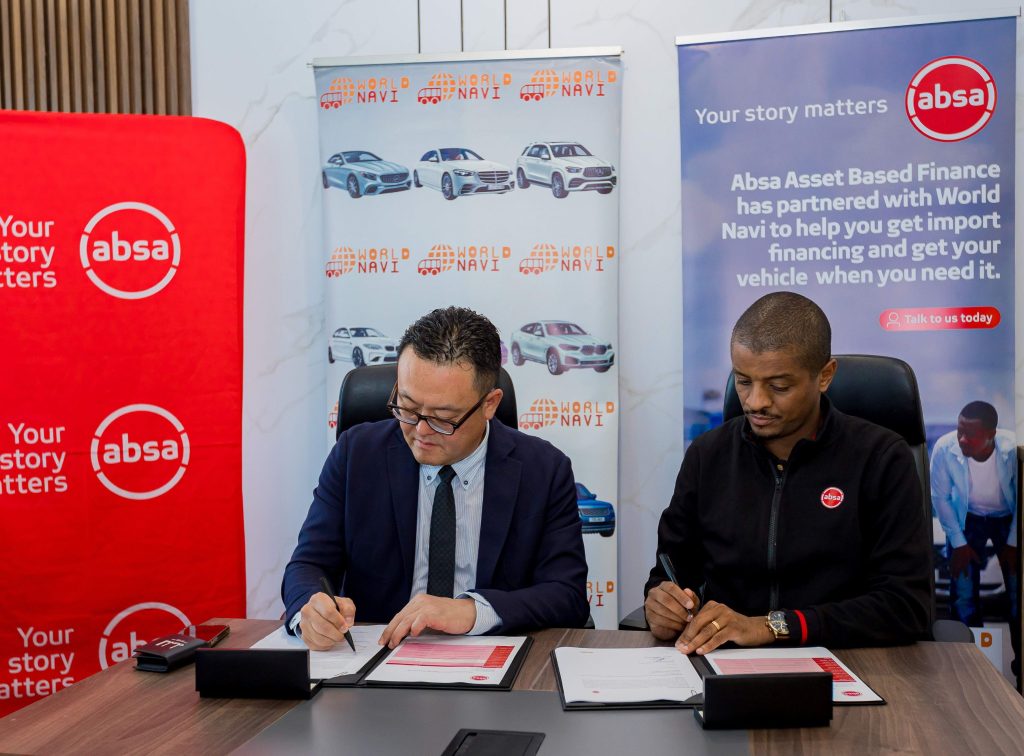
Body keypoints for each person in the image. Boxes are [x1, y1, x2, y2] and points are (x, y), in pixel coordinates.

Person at [282, 306, 589, 651]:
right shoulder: (356, 455)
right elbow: (309, 564)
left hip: (491, 660)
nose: (421, 431)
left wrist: (472, 611)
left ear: (489, 403)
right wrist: (311, 611)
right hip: (375, 658)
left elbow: (566, 595)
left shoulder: (543, 470)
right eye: (408, 407)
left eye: (443, 417)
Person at [644, 292, 931, 655]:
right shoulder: (707, 455)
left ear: (825, 376)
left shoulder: (882, 458)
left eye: (778, 386)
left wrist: (772, 627)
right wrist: (662, 604)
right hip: (724, 664)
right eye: (743, 381)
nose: (755, 402)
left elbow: (905, 606)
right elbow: (671, 574)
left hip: (850, 662)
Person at [931, 401, 1018, 678]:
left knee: (1018, 594)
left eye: (970, 434)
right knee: (963, 594)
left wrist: (1014, 543)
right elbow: (940, 498)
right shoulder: (944, 448)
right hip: (967, 517)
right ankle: (969, 669)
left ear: (991, 434)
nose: (962, 440)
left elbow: (1023, 500)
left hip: (1008, 517)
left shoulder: (1013, 451)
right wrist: (959, 544)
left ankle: (1022, 669)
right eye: (960, 431)